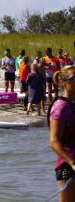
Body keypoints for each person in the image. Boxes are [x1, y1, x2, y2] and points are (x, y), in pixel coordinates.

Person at [48, 65, 75, 201]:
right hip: (68, 167)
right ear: (63, 83)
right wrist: (72, 163)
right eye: (74, 79)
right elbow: (54, 142)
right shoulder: (60, 106)